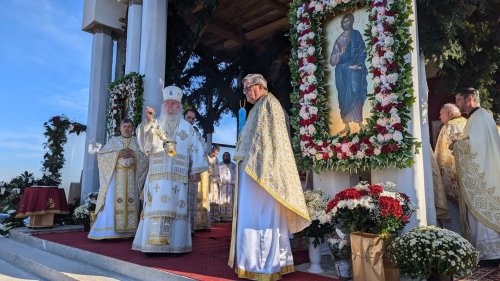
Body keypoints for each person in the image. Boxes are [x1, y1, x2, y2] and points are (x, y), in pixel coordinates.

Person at [228, 74, 311, 280]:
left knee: (259, 217)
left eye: (247, 88)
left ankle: (262, 267)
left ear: (258, 87)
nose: (245, 92)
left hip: (259, 174)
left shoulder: (267, 104)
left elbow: (264, 142)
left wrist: (247, 161)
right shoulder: (261, 106)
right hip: (255, 171)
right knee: (258, 216)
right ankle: (265, 264)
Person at [132, 85, 208, 255]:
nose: (171, 107)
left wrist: (195, 169)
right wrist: (147, 122)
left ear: (179, 107)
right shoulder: (155, 123)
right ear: (163, 106)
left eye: (174, 104)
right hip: (158, 175)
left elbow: (196, 148)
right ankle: (151, 247)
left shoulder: (187, 128)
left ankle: (176, 246)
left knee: (177, 209)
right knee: (155, 209)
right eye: (168, 104)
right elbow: (145, 145)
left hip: (179, 176)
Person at [452, 88, 500, 262]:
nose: (458, 104)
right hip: (489, 171)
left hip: (483, 175)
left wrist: (456, 145)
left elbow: (473, 147)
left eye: (459, 100)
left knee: (480, 215)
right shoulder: (483, 116)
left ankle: (490, 254)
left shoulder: (478, 118)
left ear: (469, 99)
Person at [88, 119, 148, 240]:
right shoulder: (114, 141)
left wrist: (135, 154)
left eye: (129, 126)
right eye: (124, 126)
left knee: (133, 202)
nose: (127, 129)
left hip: (133, 178)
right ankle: (109, 232)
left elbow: (146, 158)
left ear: (133, 128)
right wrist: (117, 154)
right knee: (112, 203)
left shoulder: (138, 142)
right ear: (120, 128)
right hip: (115, 180)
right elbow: (102, 156)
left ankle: (131, 232)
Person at [330, 13, 368, 134]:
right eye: (344, 22)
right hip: (341, 71)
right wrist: (338, 55)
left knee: (356, 92)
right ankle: (346, 125)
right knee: (343, 95)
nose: (346, 24)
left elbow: (362, 49)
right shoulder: (340, 38)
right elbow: (333, 58)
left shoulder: (356, 34)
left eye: (348, 21)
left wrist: (359, 64)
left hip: (353, 68)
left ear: (351, 22)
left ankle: (360, 122)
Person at [434, 103, 467, 232]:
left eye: (441, 113)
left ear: (450, 113)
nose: (439, 116)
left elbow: (441, 156)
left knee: (454, 218)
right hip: (467, 178)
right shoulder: (467, 123)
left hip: (452, 181)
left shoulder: (448, 127)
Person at [183, 108, 211, 231]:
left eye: (193, 119)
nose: (190, 120)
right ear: (184, 117)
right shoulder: (178, 128)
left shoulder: (196, 132)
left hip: (192, 170)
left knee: (191, 198)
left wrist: (197, 169)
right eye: (188, 118)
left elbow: (204, 148)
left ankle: (189, 228)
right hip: (180, 169)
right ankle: (180, 230)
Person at [218, 152, 236, 222]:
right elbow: (217, 173)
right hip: (222, 186)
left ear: (230, 157)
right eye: (225, 156)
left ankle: (230, 218)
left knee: (230, 200)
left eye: (227, 156)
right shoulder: (219, 165)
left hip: (231, 186)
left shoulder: (233, 166)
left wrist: (234, 182)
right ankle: (222, 217)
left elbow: (236, 175)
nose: (226, 157)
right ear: (222, 157)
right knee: (221, 200)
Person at [207, 145, 221, 222]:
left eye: (217, 153)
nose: (215, 155)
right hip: (208, 181)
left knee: (215, 199)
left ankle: (215, 217)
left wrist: (218, 179)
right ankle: (208, 217)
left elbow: (218, 170)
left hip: (215, 182)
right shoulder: (206, 157)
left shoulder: (216, 159)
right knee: (209, 198)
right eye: (215, 153)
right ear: (212, 150)